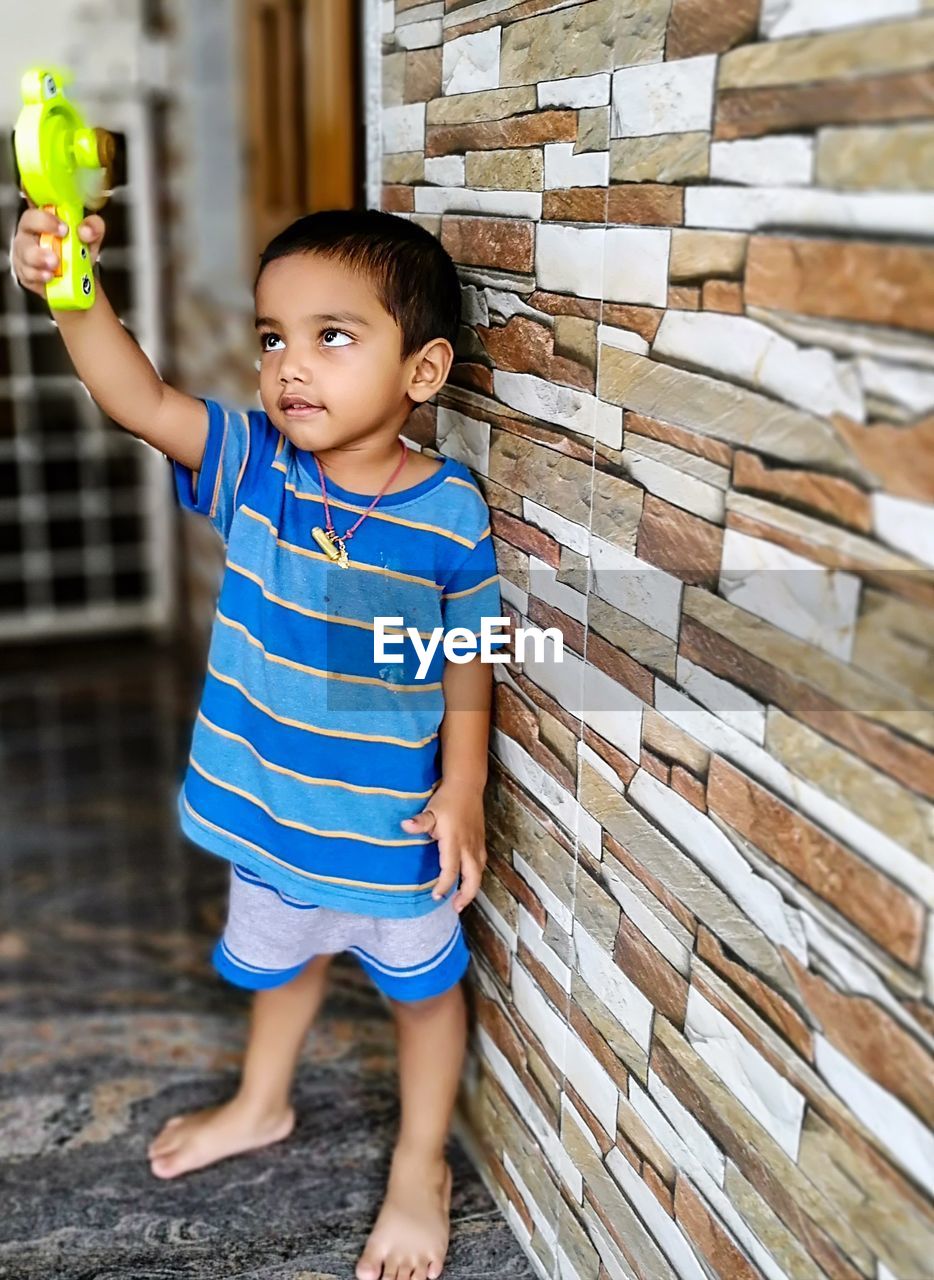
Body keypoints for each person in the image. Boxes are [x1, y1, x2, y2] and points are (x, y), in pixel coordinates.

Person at [12, 203, 509, 1280]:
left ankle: (420, 1161)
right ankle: (260, 1099)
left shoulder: (449, 510)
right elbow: (136, 396)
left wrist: (464, 783)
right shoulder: (255, 466)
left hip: (392, 828)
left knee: (423, 993)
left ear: (421, 370)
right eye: (272, 336)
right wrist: (70, 288)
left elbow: (474, 643)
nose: (289, 364)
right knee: (282, 963)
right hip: (271, 814)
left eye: (333, 335)